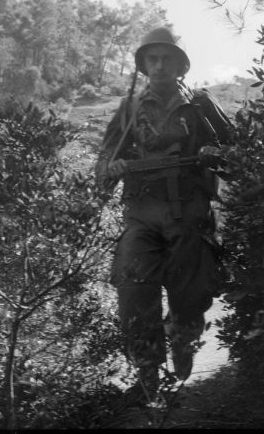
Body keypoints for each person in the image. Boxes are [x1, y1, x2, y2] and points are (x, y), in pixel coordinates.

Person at [95, 27, 232, 402]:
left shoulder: (200, 105)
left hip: (190, 213)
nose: (159, 66)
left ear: (180, 65)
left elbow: (237, 151)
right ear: (143, 64)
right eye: (152, 59)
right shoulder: (129, 109)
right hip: (140, 212)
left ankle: (184, 340)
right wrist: (113, 168)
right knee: (133, 287)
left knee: (191, 294)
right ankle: (147, 372)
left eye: (166, 59)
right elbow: (104, 160)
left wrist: (214, 154)